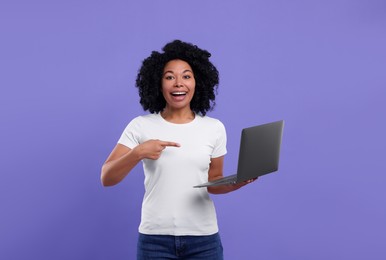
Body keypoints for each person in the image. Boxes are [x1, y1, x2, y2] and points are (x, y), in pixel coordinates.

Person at [101, 40, 256, 260]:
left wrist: (236, 183)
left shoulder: (214, 128)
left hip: (204, 240)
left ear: (197, 82)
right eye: (169, 77)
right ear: (158, 83)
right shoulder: (140, 126)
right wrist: (138, 153)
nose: (178, 84)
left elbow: (214, 182)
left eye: (186, 76)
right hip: (155, 240)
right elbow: (107, 177)